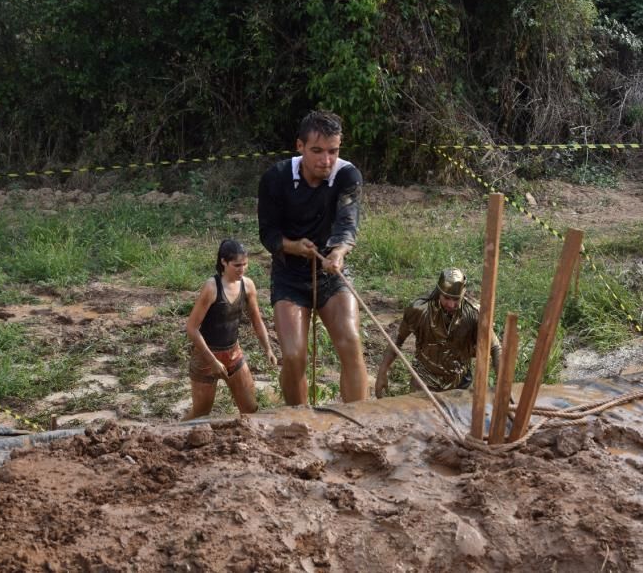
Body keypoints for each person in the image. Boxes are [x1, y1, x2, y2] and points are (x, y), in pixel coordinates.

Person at [257, 110, 368, 405]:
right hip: (289, 275)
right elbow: (268, 234)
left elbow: (348, 221)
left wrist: (338, 253)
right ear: (300, 147)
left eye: (333, 151)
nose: (326, 160)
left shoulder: (347, 175)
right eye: (317, 151)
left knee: (351, 341)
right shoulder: (276, 178)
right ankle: (298, 421)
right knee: (293, 356)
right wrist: (294, 247)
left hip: (331, 272)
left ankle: (362, 421)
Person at [184, 239, 277, 419]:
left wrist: (268, 349)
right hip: (205, 357)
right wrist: (212, 361)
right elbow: (192, 328)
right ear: (224, 262)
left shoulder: (248, 285)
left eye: (245, 264)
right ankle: (170, 433)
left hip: (233, 354)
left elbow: (257, 321)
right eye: (236, 265)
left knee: (250, 409)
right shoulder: (212, 287)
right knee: (200, 414)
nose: (241, 270)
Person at [374, 268, 501, 398]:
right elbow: (397, 339)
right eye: (446, 298)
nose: (451, 304)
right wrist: (382, 372)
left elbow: (495, 347)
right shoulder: (419, 311)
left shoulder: (474, 315)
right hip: (423, 382)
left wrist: (502, 383)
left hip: (460, 384)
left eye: (456, 299)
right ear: (439, 293)